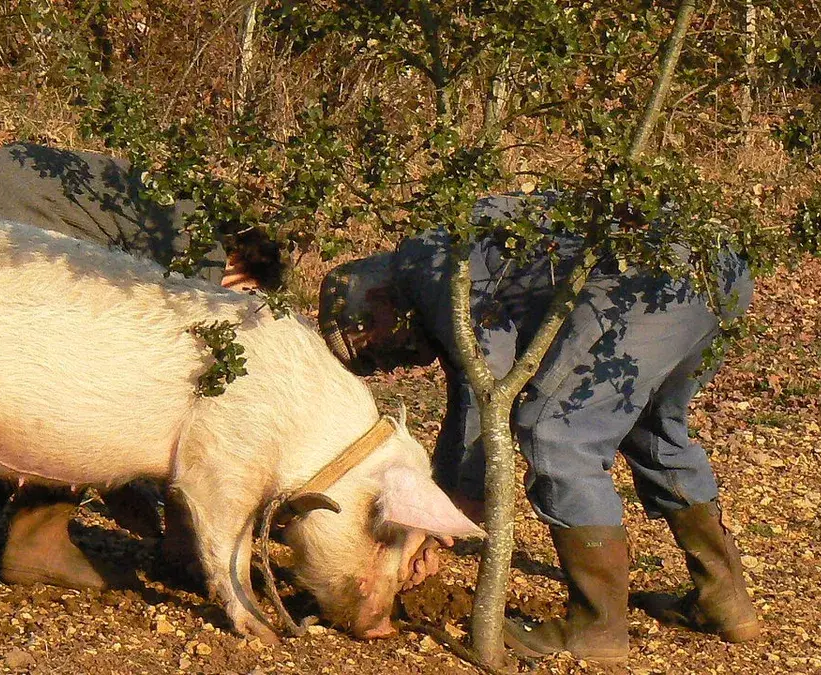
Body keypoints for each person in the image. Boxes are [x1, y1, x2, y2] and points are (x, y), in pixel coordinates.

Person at [318, 193, 760, 663]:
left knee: (556, 433)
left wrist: (443, 521)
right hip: (718, 268)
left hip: (654, 274)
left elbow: (486, 386)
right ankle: (725, 602)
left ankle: (596, 628)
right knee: (653, 430)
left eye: (370, 349)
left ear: (378, 302)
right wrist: (443, 506)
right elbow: (468, 402)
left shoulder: (429, 270)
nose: (389, 364)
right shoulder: (434, 259)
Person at [0, 142, 283, 590]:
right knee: (80, 381)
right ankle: (37, 544)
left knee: (8, 387)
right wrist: (123, 482)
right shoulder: (202, 254)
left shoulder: (173, 206)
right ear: (242, 268)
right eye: (244, 296)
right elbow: (156, 385)